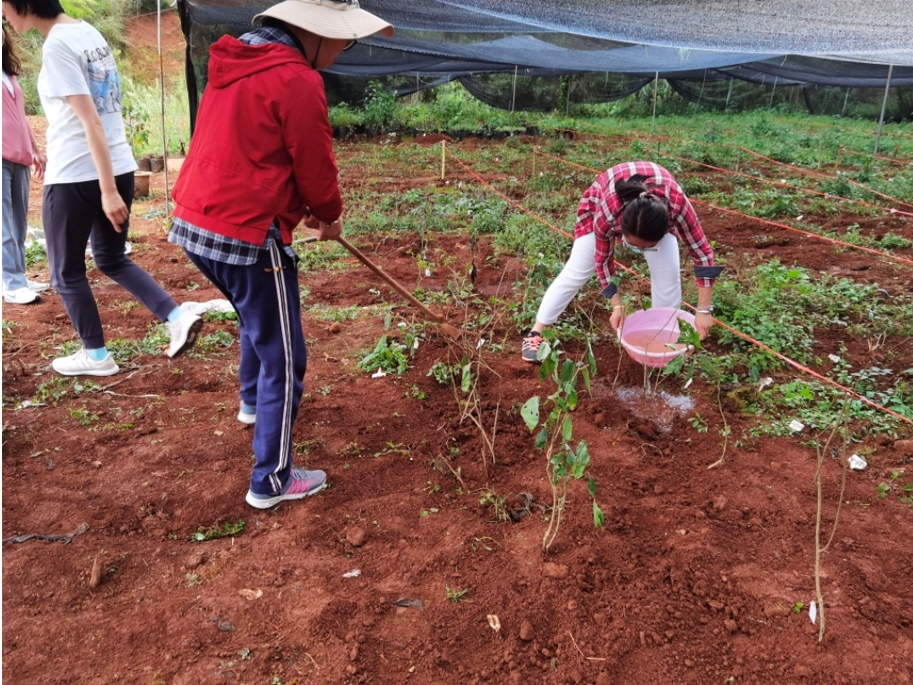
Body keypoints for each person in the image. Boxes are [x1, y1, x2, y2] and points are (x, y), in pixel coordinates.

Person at [169, 0, 394, 509]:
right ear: (309, 32)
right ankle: (271, 479)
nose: (343, 49)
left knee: (257, 319)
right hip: (247, 232)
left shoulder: (234, 64)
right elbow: (314, 163)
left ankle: (253, 403)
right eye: (341, 38)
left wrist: (301, 207)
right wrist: (328, 213)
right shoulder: (296, 79)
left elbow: (250, 151)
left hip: (195, 221)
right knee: (287, 357)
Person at [2, 0, 202, 376]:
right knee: (110, 257)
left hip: (78, 174)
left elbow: (91, 119)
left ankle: (96, 356)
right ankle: (176, 317)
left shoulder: (58, 44)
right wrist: (111, 183)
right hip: (119, 164)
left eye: (3, 6)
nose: (3, 15)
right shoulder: (86, 33)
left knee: (65, 272)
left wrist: (107, 190)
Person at [522, 161, 723, 363]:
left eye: (648, 247)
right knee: (577, 271)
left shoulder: (676, 206)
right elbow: (603, 260)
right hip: (605, 204)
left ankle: (662, 345)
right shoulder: (608, 214)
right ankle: (536, 333)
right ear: (621, 230)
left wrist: (704, 310)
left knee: (668, 277)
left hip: (658, 210)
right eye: (634, 245)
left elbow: (703, 254)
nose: (640, 252)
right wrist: (616, 305)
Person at [2, 23, 49, 304]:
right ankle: (11, 282)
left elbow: (20, 118)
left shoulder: (9, 74)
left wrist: (35, 149)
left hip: (19, 156)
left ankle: (17, 275)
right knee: (4, 223)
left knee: (19, 222)